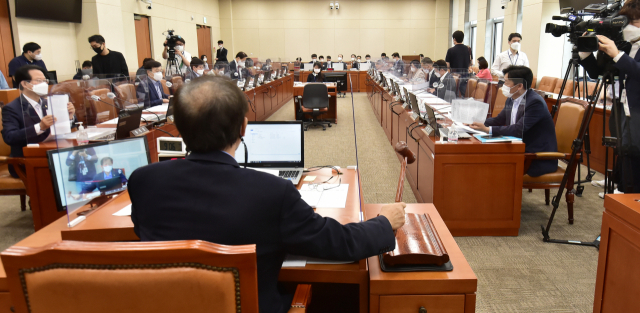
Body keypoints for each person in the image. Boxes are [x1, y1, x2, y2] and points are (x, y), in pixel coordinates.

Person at [127, 75, 406, 313]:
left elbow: (144, 233)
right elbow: (337, 243)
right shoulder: (272, 193)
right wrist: (383, 222)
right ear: (243, 128)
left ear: (180, 128)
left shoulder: (143, 181)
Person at [578, 0, 640, 192]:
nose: (630, 27)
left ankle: (630, 193)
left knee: (633, 150)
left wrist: (618, 55)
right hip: (621, 106)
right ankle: (621, 188)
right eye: (627, 21)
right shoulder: (622, 43)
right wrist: (585, 52)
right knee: (621, 148)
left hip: (637, 109)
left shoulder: (621, 48)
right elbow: (598, 73)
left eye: (635, 22)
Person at [468, 65, 558, 177]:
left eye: (506, 82)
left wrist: (487, 129)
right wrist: (474, 122)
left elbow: (518, 129)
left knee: (491, 161)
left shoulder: (535, 103)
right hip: (518, 147)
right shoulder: (512, 98)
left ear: (519, 85)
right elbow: (498, 120)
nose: (503, 85)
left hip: (535, 156)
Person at [1, 65, 76, 178]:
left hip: (52, 152)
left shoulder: (49, 102)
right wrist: (40, 127)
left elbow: (67, 127)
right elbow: (9, 137)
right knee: (68, 171)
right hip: (26, 160)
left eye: (45, 80)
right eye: (39, 81)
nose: (44, 84)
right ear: (25, 84)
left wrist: (69, 117)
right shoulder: (12, 108)